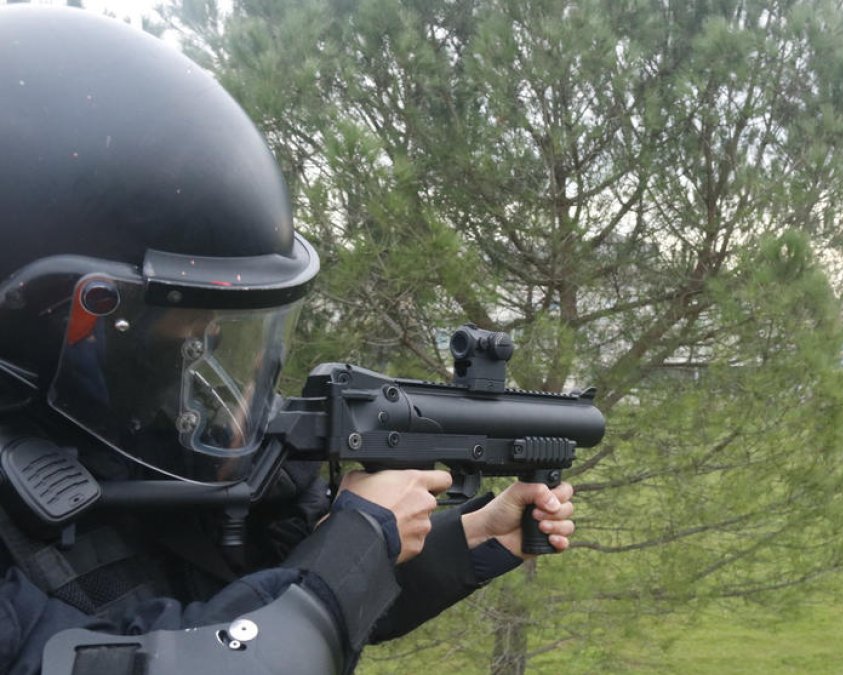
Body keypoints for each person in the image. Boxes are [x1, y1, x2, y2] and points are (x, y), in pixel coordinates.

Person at [0, 9, 578, 674]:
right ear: (49, 314)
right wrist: (356, 543)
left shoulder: (118, 440)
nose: (203, 361)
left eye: (220, 332)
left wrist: (472, 536)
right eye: (178, 331)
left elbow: (277, 607)